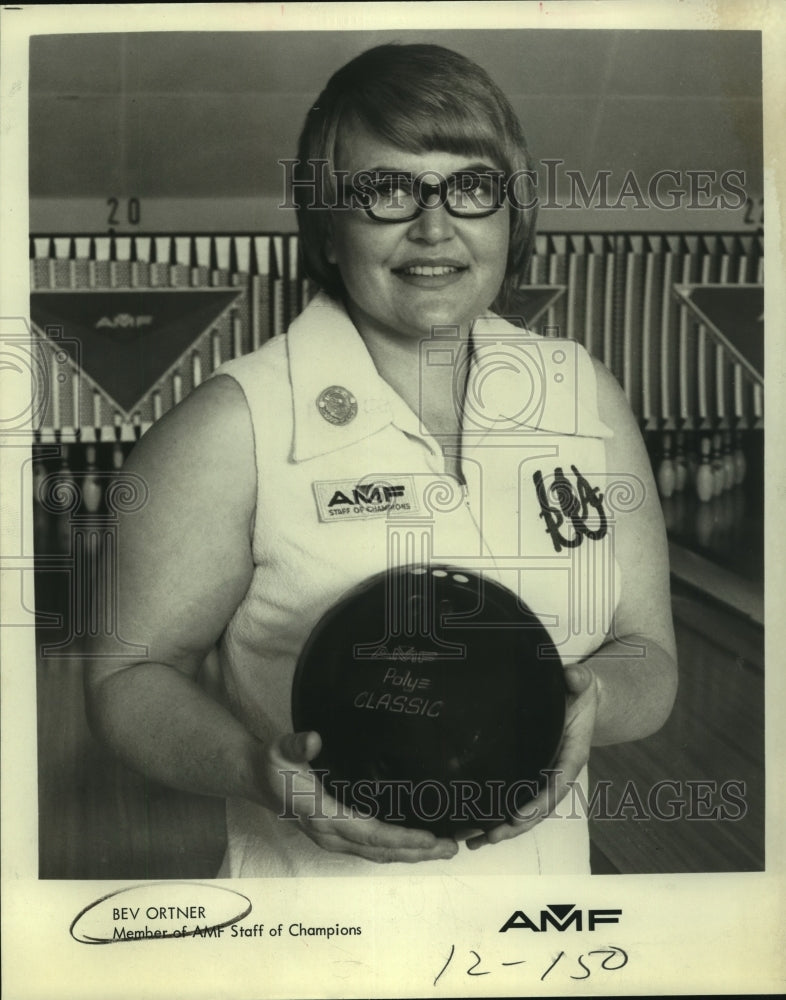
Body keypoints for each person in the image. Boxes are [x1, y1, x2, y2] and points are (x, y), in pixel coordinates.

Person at [85, 43, 677, 877]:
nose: (434, 228)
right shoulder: (232, 425)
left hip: (539, 934)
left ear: (513, 215)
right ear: (327, 223)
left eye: (471, 187)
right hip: (312, 937)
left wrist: (588, 704)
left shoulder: (583, 394)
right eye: (388, 189)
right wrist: (257, 772)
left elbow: (648, 654)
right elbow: (129, 678)